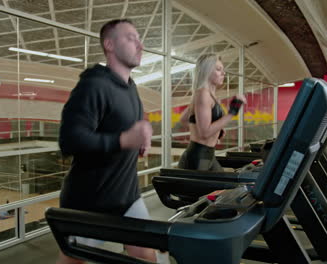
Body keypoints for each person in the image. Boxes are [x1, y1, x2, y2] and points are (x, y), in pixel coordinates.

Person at [56, 19, 158, 264]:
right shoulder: (93, 85)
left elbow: (122, 128)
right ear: (110, 44)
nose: (140, 44)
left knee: (146, 254)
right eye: (131, 38)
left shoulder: (131, 87)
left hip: (127, 195)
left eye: (139, 37)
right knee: (72, 260)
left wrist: (141, 137)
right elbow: (69, 140)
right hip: (91, 201)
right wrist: (124, 139)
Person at [178, 54, 246, 171]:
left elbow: (184, 119)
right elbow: (204, 133)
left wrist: (216, 129)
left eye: (223, 70)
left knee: (227, 186)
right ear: (207, 71)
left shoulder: (208, 95)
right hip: (198, 156)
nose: (223, 73)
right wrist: (231, 113)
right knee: (224, 186)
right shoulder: (202, 94)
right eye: (218, 69)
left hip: (208, 154)